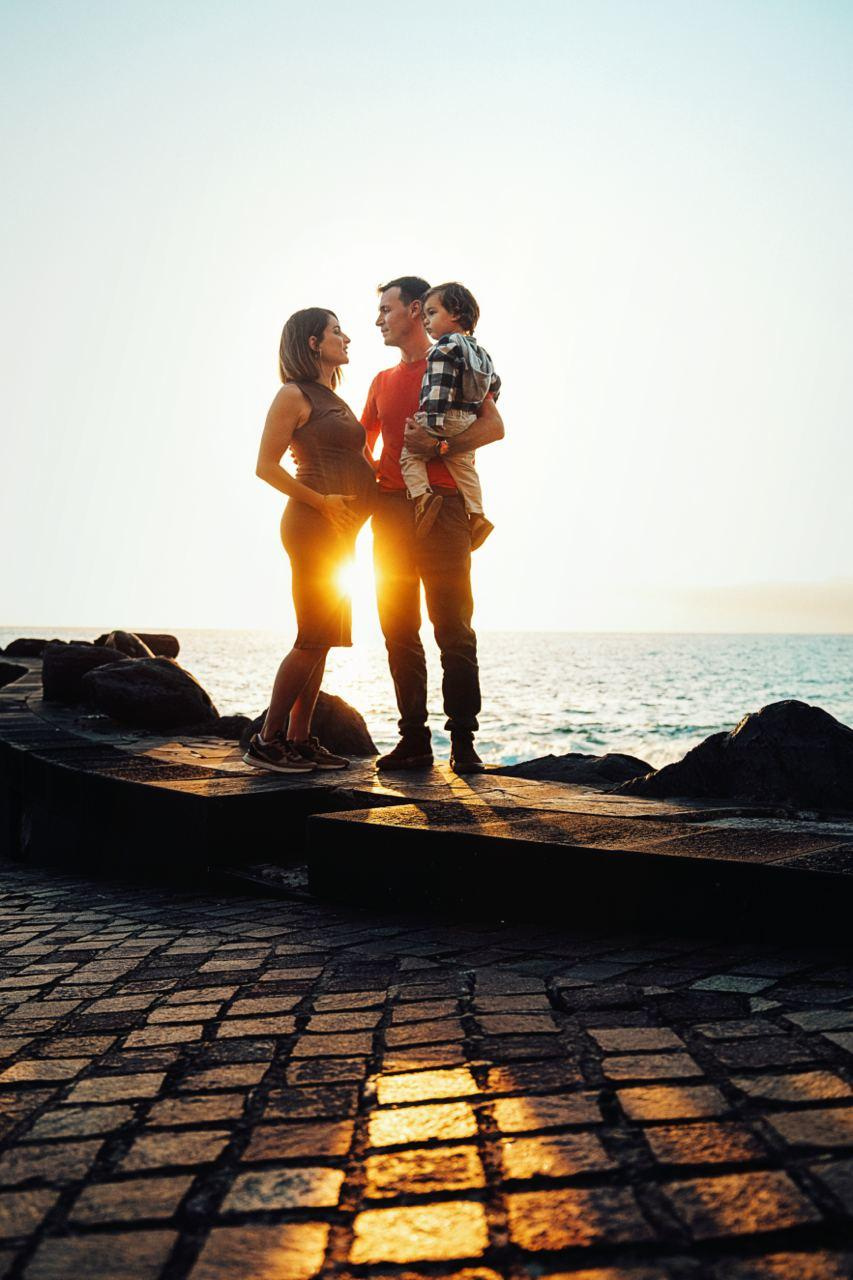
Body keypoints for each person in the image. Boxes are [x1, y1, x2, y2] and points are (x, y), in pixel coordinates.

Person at [362, 276, 505, 775]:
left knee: (453, 628)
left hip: (444, 509)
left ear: (415, 309)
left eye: (386, 309)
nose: (378, 320)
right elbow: (362, 445)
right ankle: (413, 740)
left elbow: (494, 426)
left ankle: (463, 741)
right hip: (390, 513)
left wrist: (441, 447)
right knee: (398, 628)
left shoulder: (454, 359)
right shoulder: (381, 381)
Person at [244, 308, 376, 774]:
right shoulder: (293, 394)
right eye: (336, 330)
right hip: (312, 526)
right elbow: (266, 466)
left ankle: (299, 740)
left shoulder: (334, 398)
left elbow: (365, 463)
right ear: (313, 343)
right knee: (311, 637)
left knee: (323, 640)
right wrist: (323, 503)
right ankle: (266, 741)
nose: (347, 337)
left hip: (340, 533)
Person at [401, 281, 500, 549]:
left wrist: (432, 423)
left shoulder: (443, 347)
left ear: (455, 312)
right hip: (467, 418)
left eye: (432, 313)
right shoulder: (481, 353)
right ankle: (477, 515)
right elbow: (495, 385)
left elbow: (439, 385)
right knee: (463, 466)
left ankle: (422, 498)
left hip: (443, 415)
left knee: (409, 455)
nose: (426, 321)